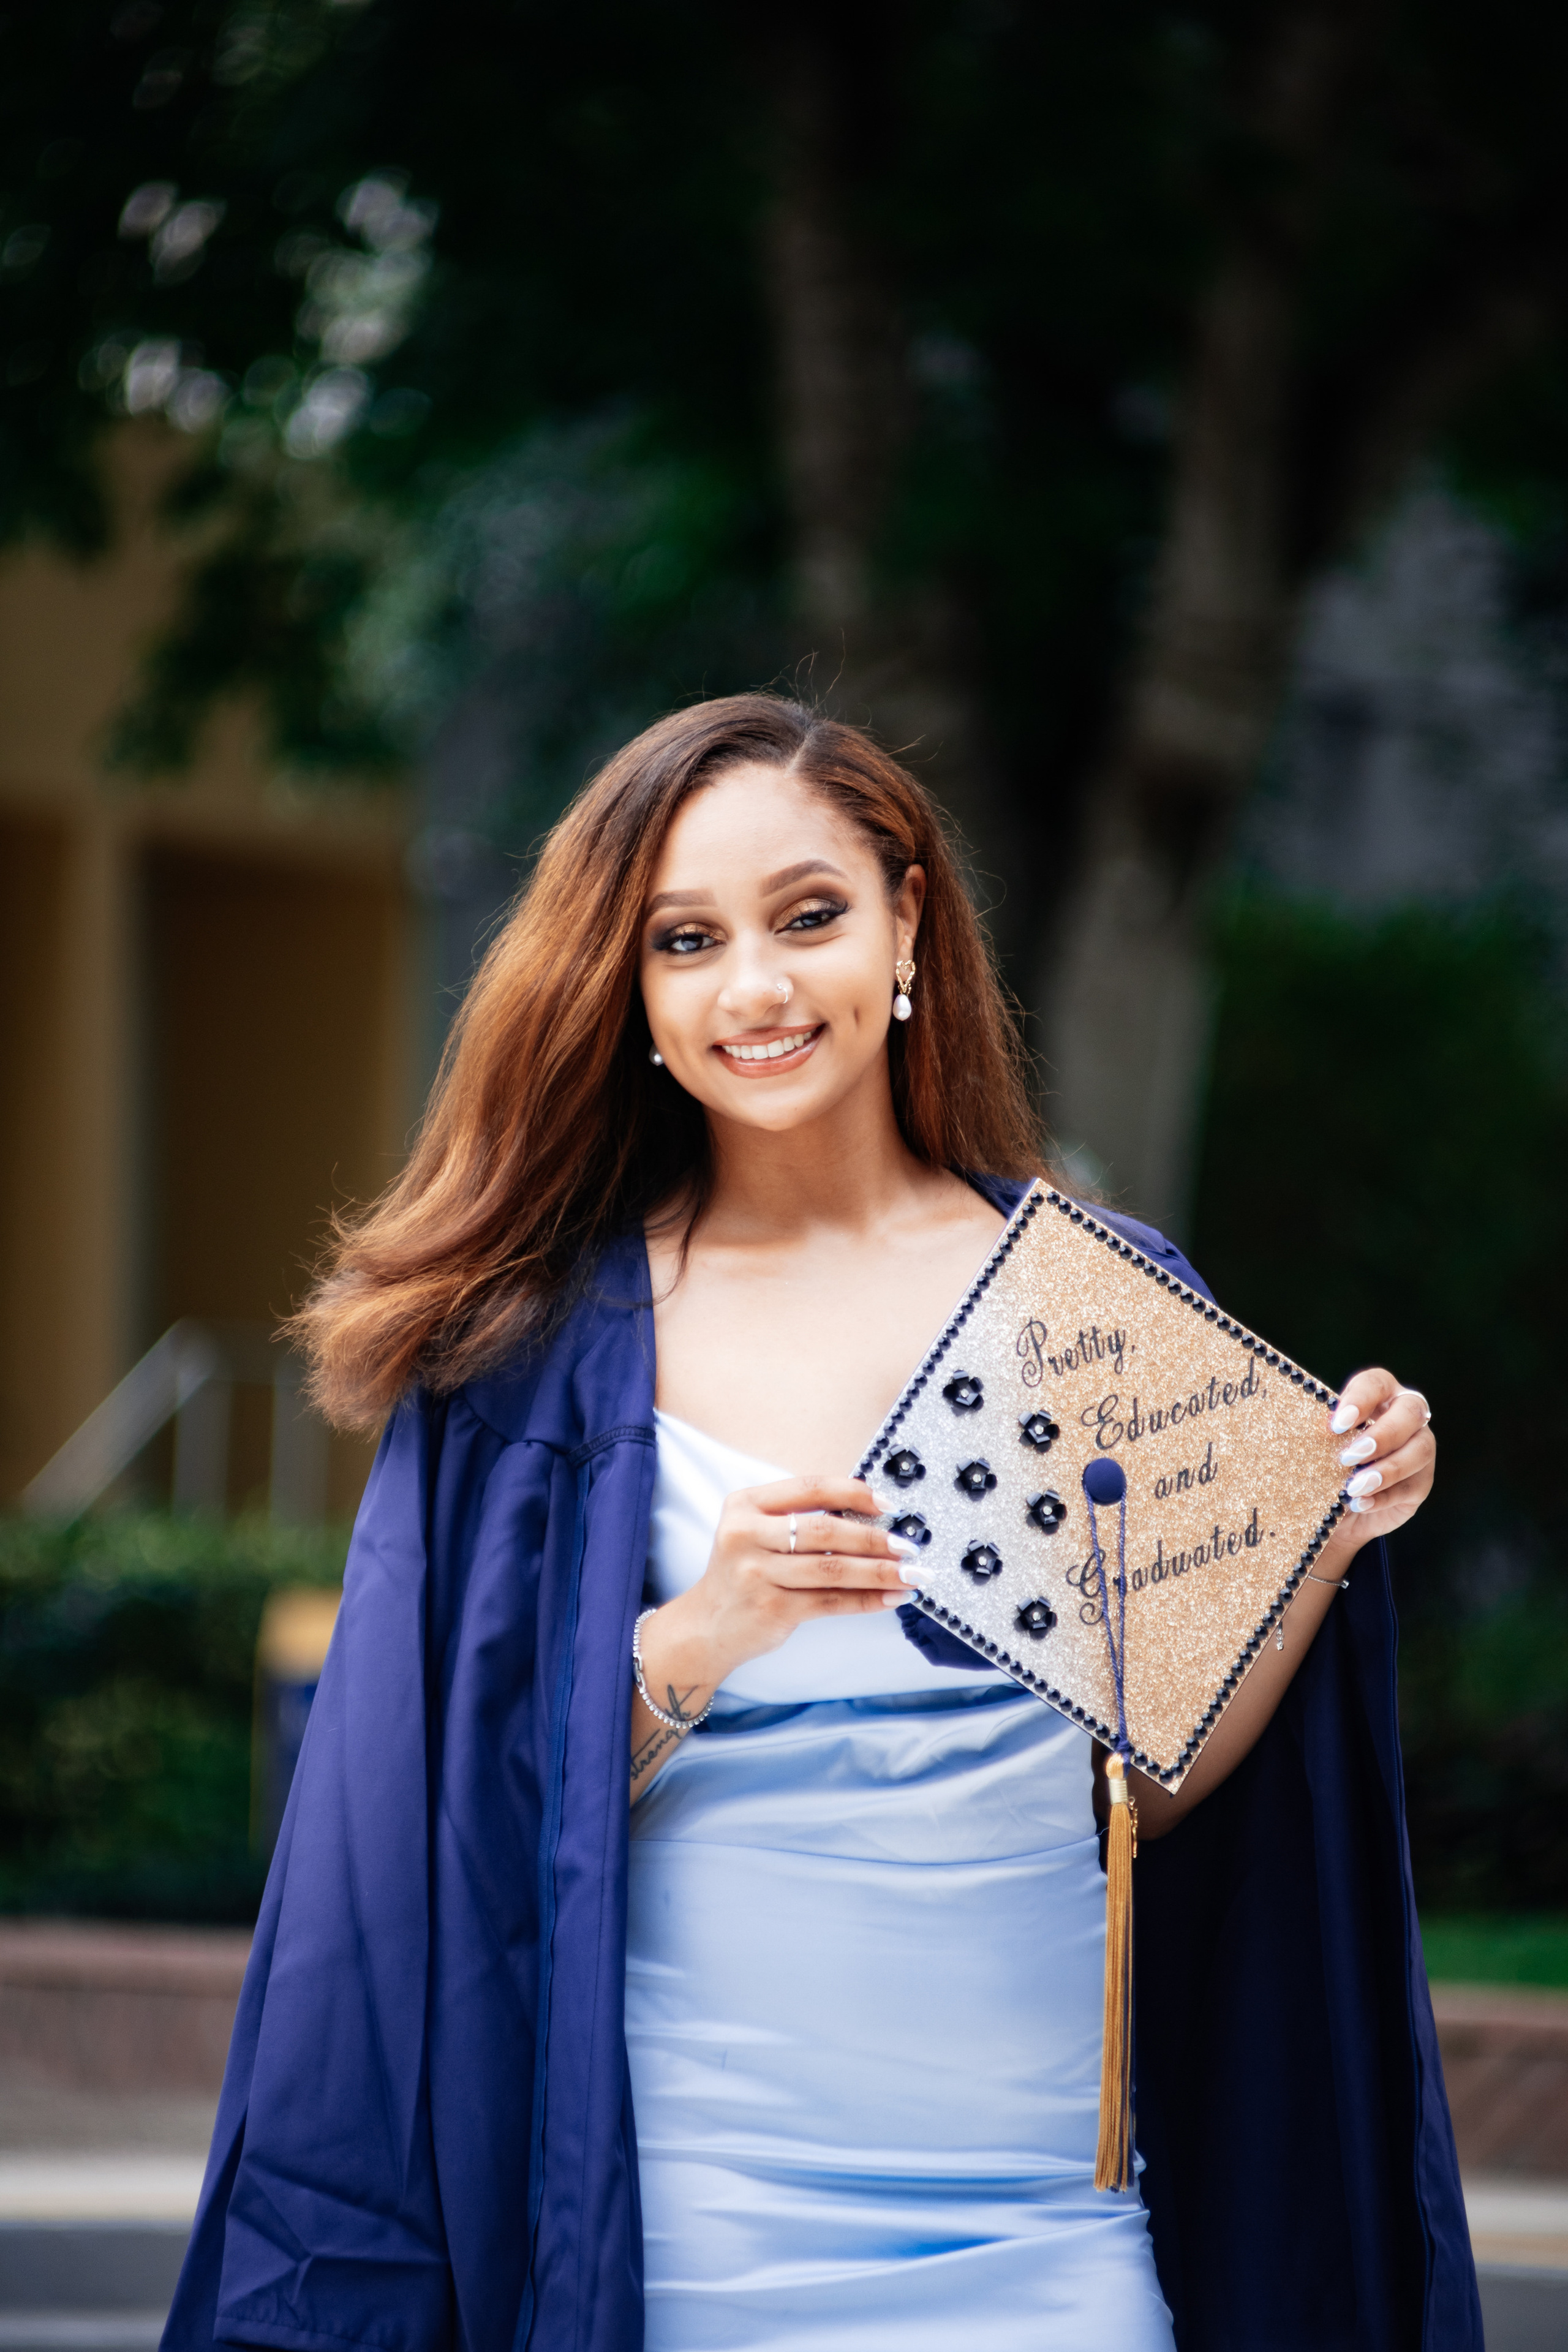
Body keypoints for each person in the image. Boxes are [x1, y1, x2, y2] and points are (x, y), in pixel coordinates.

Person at [163, 695, 1480, 2352]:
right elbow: (445, 1835)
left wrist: (1329, 1530)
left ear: (907, 919)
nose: (758, 989)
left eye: (809, 916)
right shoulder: (544, 1359)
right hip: (699, 2229)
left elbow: (1144, 1784)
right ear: (632, 991)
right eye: (687, 941)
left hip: (1045, 2224)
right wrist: (691, 1647)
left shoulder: (1083, 1300)